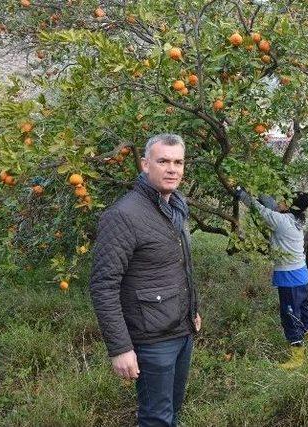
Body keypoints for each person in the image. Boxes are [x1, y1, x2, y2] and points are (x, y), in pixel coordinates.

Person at [89, 134, 201, 427]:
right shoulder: (124, 216)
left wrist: (192, 311)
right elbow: (104, 285)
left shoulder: (176, 206)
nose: (172, 169)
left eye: (178, 162)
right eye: (163, 161)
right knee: (156, 418)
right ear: (145, 164)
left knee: (172, 412)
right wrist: (121, 348)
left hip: (181, 330)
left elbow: (177, 267)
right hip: (151, 338)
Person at [236, 188, 308, 369]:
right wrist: (256, 189)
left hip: (290, 279)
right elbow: (273, 206)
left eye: (284, 200)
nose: (279, 202)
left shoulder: (282, 222)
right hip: (302, 276)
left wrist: (240, 193)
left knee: (290, 316)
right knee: (305, 311)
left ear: (289, 206)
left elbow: (260, 209)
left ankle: (298, 357)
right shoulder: (298, 219)